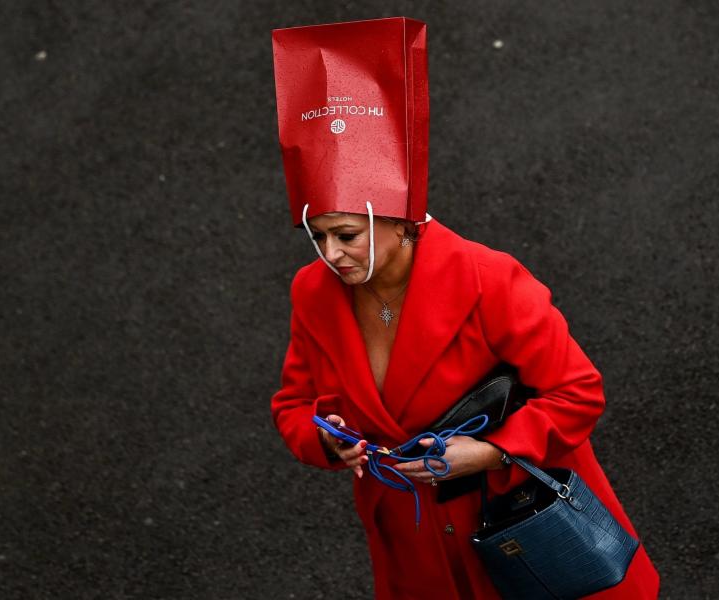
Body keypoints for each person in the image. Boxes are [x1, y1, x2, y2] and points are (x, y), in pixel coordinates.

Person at [269, 17, 660, 599]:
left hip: (514, 522)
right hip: (413, 540)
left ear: (401, 221)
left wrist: (488, 451)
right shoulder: (312, 291)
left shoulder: (489, 278)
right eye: (318, 236)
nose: (332, 255)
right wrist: (326, 441)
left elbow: (578, 392)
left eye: (347, 234)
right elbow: (294, 403)